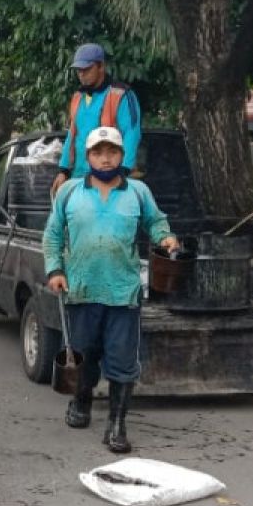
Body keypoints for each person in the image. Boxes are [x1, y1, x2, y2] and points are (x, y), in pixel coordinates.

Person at [43, 127, 179, 453]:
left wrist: (166, 237)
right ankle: (82, 402)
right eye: (98, 152)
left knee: (122, 360)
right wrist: (55, 269)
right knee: (83, 353)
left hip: (123, 291)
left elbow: (156, 222)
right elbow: (53, 234)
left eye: (112, 152)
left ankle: (117, 425)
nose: (106, 158)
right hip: (81, 288)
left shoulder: (138, 192)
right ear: (88, 157)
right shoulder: (70, 192)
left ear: (122, 156)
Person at [50, 43, 143, 198]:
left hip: (110, 177)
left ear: (101, 66)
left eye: (87, 69)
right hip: (79, 177)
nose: (81, 74)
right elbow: (72, 136)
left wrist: (123, 172)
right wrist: (63, 170)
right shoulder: (78, 97)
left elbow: (132, 134)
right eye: (79, 70)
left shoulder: (120, 94)